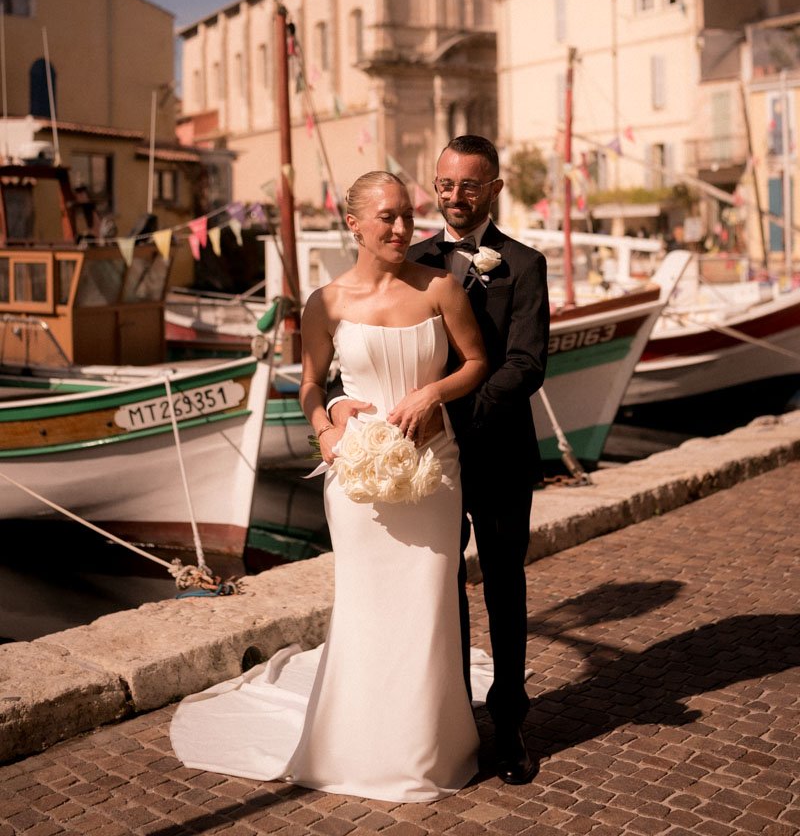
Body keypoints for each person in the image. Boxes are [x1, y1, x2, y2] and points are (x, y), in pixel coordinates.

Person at [170, 171, 488, 803]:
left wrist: (433, 391)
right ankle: (357, 744)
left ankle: (428, 750)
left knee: (427, 609)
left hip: (432, 471)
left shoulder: (442, 289)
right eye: (387, 218)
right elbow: (310, 384)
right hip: (358, 478)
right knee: (368, 609)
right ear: (354, 225)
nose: (402, 228)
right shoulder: (326, 302)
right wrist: (327, 422)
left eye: (406, 215)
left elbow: (477, 363)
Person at [331, 135, 550, 785]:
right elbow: (366, 338)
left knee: (505, 586)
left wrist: (450, 411)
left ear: (495, 189)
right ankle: (450, 723)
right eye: (445, 184)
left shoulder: (526, 264)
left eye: (470, 185)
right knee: (436, 589)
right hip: (422, 462)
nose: (455, 197)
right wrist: (342, 409)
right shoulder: (410, 255)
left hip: (498, 449)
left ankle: (509, 722)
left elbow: (526, 364)